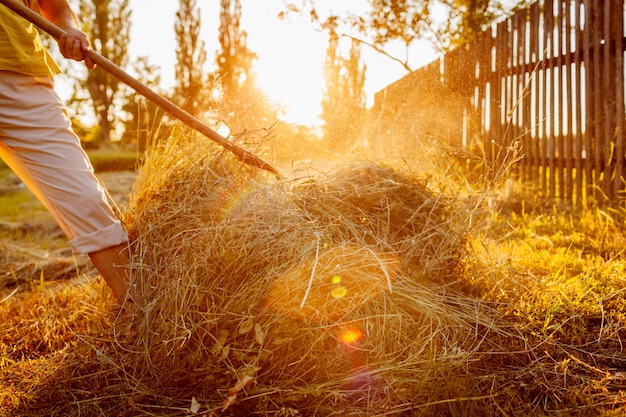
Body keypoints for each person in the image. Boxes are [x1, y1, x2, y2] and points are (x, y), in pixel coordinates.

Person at [0, 0, 130, 306]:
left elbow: (55, 6)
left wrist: (69, 29)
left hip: (22, 77)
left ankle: (143, 315)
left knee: (86, 200)